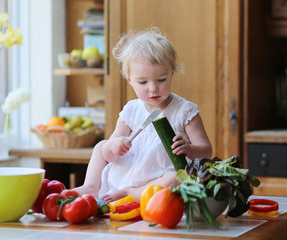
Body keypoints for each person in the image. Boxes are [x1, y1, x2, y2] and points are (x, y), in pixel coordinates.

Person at [74, 27, 212, 202]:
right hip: (128, 172)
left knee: (176, 178)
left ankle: (130, 194)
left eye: (161, 80)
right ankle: (91, 186)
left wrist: (190, 149)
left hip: (157, 181)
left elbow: (206, 151)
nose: (153, 88)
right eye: (143, 82)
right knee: (101, 145)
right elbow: (110, 155)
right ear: (130, 81)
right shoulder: (131, 110)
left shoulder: (184, 111)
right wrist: (114, 146)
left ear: (172, 73)